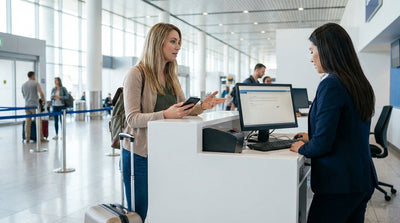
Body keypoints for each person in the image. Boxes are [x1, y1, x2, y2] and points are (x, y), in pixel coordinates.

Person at [122, 23, 224, 221]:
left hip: (165, 154)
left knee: (162, 206)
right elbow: (132, 119)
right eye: (173, 41)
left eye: (179, 42)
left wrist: (202, 106)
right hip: (139, 155)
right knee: (139, 213)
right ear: (157, 43)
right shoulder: (136, 74)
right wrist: (164, 115)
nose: (178, 47)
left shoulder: (170, 76)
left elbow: (181, 110)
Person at [290, 23, 377, 223]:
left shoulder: (331, 84)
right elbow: (348, 131)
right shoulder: (359, 82)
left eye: (312, 51)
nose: (311, 58)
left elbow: (322, 145)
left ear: (327, 50)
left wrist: (302, 148)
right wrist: (313, 137)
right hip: (360, 179)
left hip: (339, 185)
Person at [21, 71, 48, 143]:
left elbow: (23, 95)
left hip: (27, 105)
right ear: (33, 76)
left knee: (27, 123)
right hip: (35, 105)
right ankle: (41, 138)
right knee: (38, 122)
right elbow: (41, 93)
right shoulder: (36, 83)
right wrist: (44, 100)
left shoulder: (23, 85)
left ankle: (27, 138)